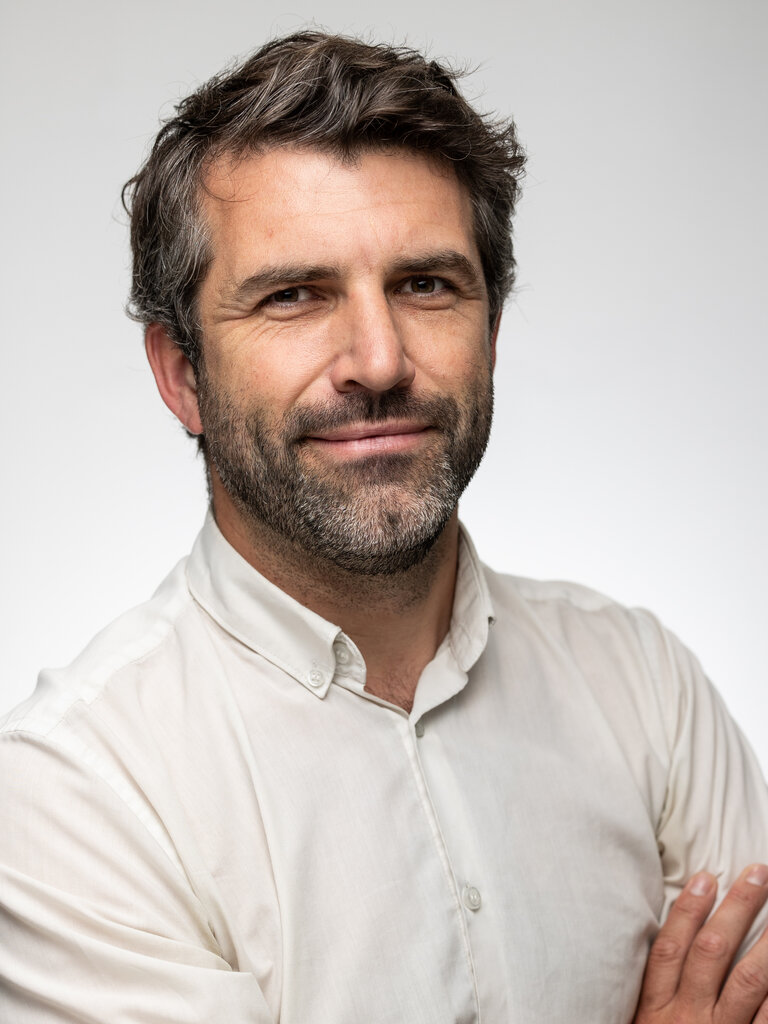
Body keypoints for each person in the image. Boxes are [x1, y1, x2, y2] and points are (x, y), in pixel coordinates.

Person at [1, 31, 767, 1024]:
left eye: (426, 285)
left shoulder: (643, 684)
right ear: (181, 372)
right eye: (293, 296)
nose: (378, 358)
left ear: (491, 333)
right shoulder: (76, 794)